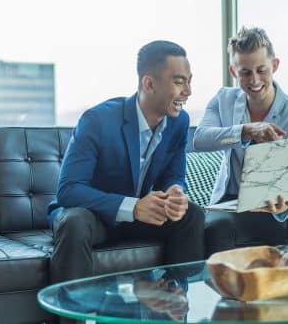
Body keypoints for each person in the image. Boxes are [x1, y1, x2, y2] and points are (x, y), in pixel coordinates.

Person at [47, 40, 205, 283]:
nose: (188, 91)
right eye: (179, 81)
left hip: (138, 217)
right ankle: (69, 318)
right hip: (94, 216)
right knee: (75, 223)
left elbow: (174, 175)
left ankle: (173, 304)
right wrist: (132, 207)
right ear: (149, 83)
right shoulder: (97, 120)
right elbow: (68, 190)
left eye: (189, 80)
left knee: (191, 215)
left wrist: (176, 192)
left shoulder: (179, 122)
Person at [193, 27, 288, 256]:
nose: (254, 80)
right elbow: (200, 139)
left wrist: (284, 205)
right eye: (245, 72)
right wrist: (246, 131)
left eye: (262, 70)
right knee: (215, 229)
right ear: (233, 71)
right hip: (233, 204)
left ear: (275, 65)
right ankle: (224, 292)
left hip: (281, 205)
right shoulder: (223, 101)